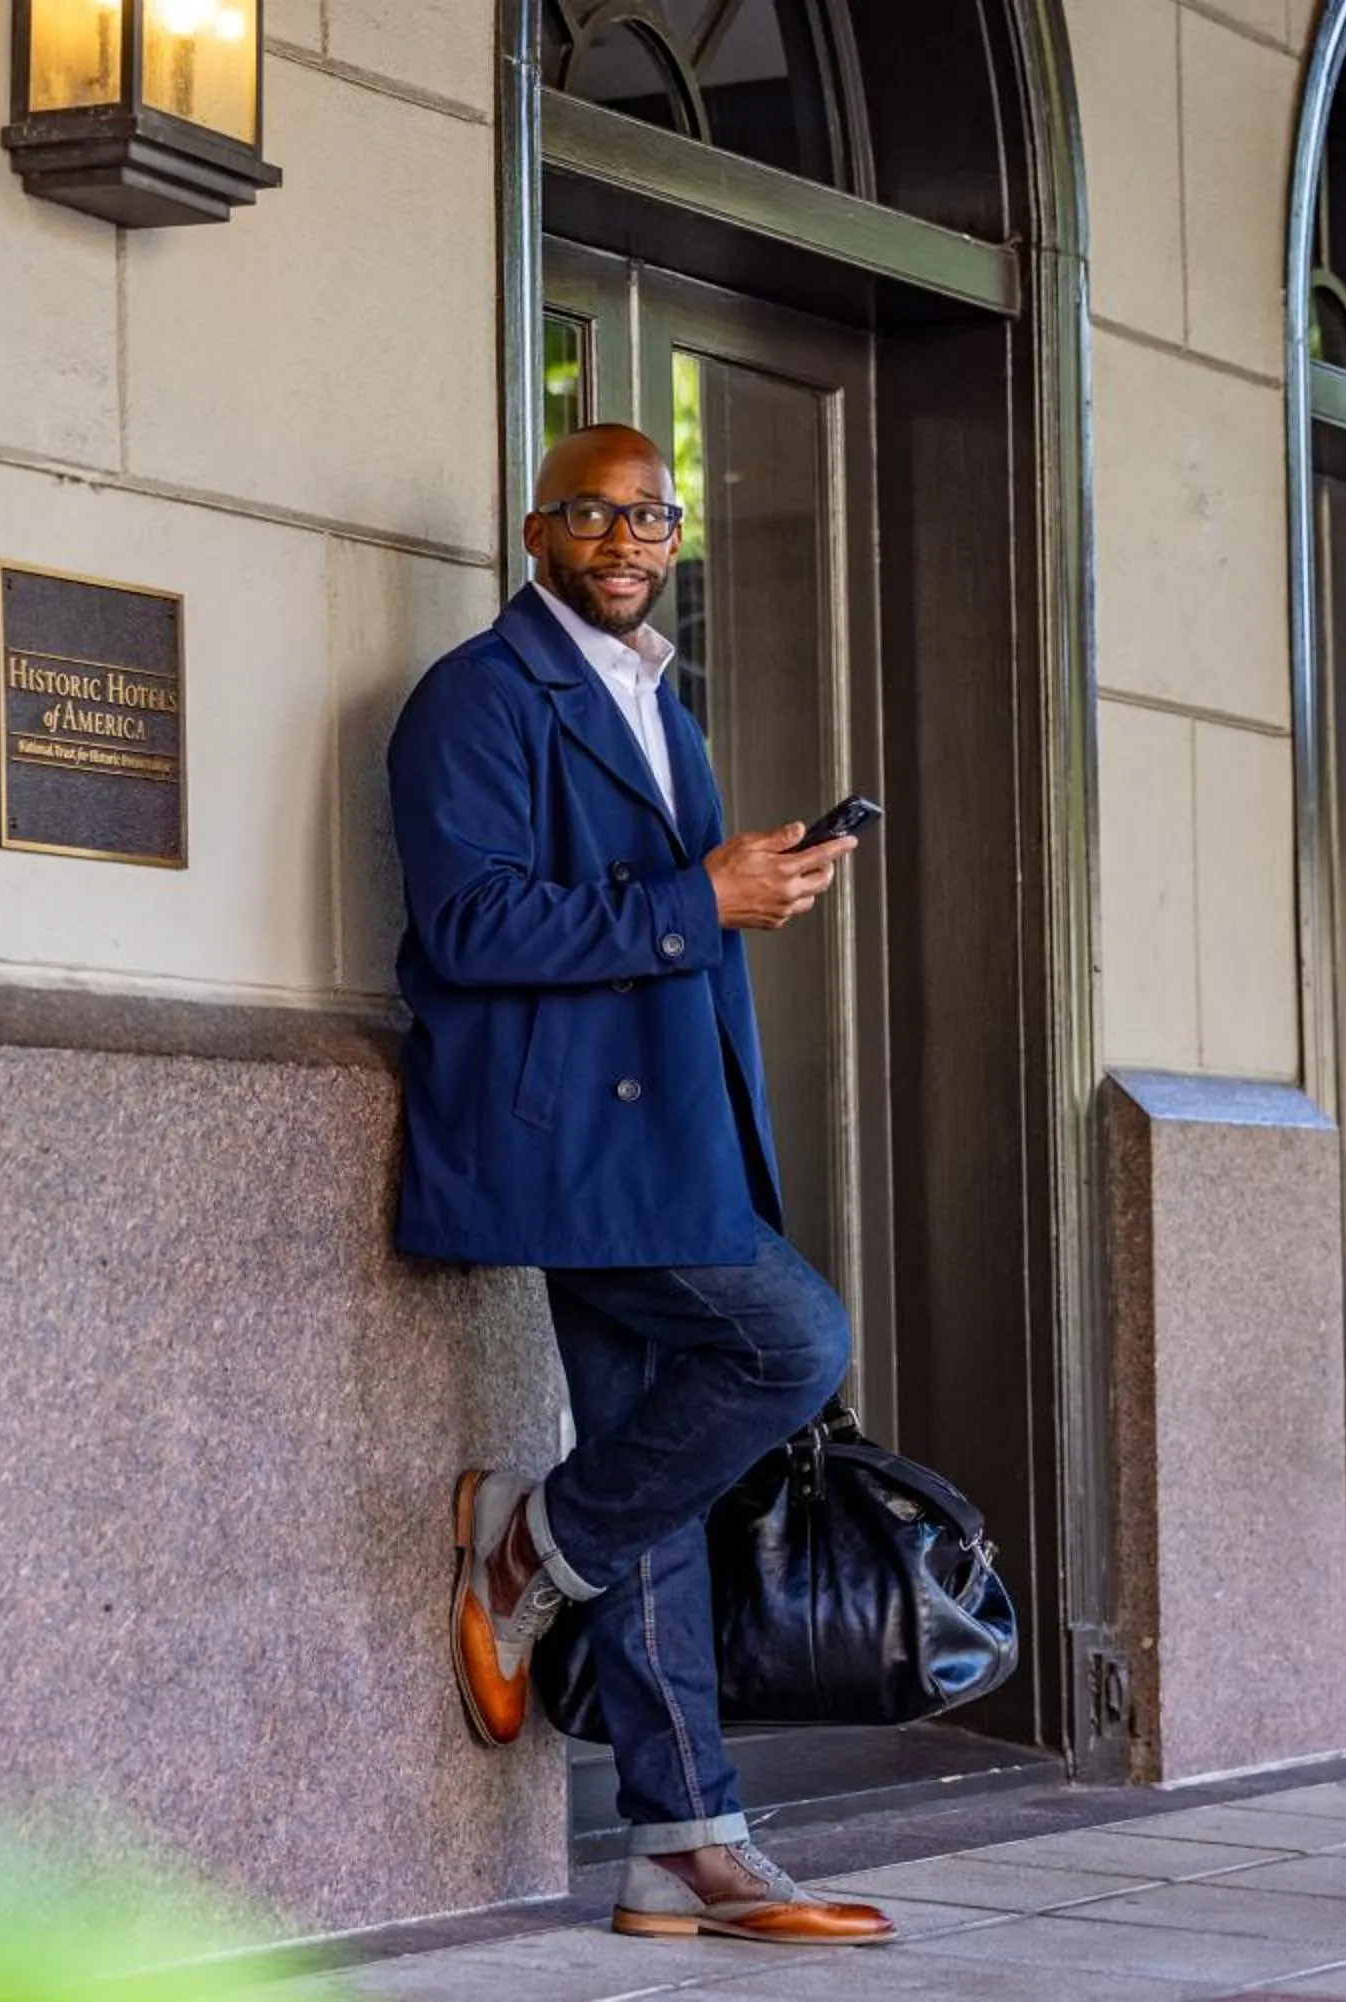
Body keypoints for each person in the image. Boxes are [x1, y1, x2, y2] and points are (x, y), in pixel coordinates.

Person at [387, 423, 896, 1948]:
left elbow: (655, 925)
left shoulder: (653, 697)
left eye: (651, 515)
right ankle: (528, 1547)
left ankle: (681, 1842)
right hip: (567, 1144)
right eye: (594, 514)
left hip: (662, 1132)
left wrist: (749, 894)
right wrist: (702, 898)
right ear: (537, 530)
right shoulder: (476, 697)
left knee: (652, 1464)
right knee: (791, 1343)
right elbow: (470, 923)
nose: (626, 540)